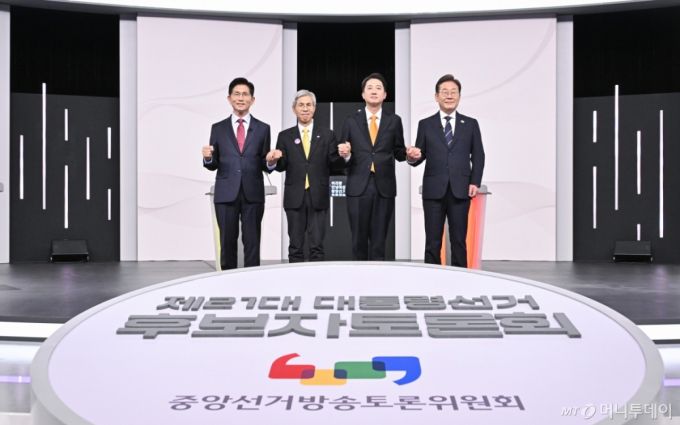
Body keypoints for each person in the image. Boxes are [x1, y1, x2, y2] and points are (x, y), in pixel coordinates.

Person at [407, 74, 485, 267]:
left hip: (461, 189)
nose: (449, 96)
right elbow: (419, 156)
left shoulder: (471, 124)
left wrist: (474, 181)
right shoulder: (425, 124)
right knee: (432, 241)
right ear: (436, 96)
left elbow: (478, 155)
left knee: (459, 240)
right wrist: (413, 156)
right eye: (444, 92)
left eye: (453, 92)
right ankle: (431, 277)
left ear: (459, 96)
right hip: (433, 190)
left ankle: (461, 278)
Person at [202, 77, 272, 270]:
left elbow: (264, 163)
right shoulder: (218, 128)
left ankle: (252, 280)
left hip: (253, 192)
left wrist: (271, 161)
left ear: (252, 99)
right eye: (237, 94)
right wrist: (208, 158)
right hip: (226, 193)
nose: (241, 98)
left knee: (252, 242)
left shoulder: (263, 128)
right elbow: (213, 164)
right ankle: (227, 280)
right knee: (226, 242)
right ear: (229, 98)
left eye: (245, 94)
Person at [337, 72, 407, 261]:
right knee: (358, 240)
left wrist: (409, 154)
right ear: (363, 94)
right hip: (358, 185)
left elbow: (399, 152)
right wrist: (346, 154)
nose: (374, 91)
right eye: (369, 88)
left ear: (385, 95)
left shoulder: (394, 120)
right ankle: (358, 277)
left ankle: (379, 277)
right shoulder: (351, 121)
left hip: (384, 186)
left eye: (378, 88)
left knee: (379, 241)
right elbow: (343, 154)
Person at [269, 90, 344, 262]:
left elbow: (335, 164)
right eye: (301, 105)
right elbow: (281, 166)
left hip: (318, 195)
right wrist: (273, 161)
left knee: (317, 246)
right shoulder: (285, 136)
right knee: (295, 246)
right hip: (294, 196)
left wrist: (344, 156)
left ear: (314, 108)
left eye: (309, 105)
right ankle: (294, 278)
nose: (305, 108)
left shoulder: (327, 134)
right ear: (294, 109)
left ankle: (316, 279)